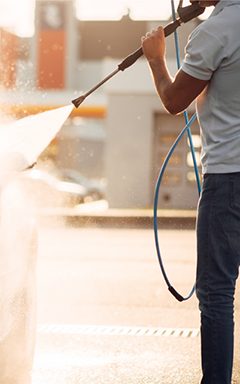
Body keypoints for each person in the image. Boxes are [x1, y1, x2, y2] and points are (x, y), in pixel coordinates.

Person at [141, 0, 240, 383]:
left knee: (216, 295)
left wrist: (155, 59)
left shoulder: (214, 32)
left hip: (228, 181)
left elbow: (174, 99)